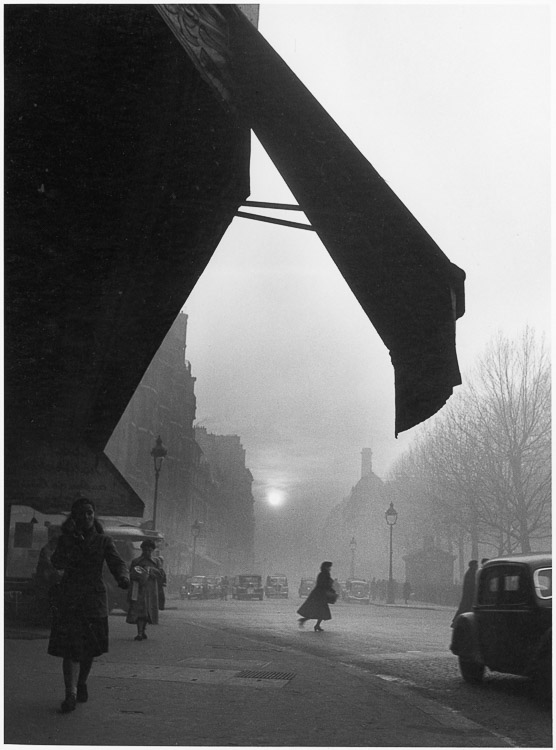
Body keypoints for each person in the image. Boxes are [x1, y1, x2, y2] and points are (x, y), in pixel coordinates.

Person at [47, 497, 129, 713]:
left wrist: (123, 577)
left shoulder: (104, 541)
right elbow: (57, 562)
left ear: (94, 515)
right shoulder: (67, 540)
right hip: (71, 601)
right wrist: (69, 543)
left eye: (89, 513)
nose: (86, 517)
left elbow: (117, 563)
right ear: (74, 517)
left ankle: (81, 681)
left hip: (94, 601)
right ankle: (70, 694)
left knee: (89, 651)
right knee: (71, 650)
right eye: (81, 513)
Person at [126, 539, 164, 641]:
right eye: (145, 550)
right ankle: (139, 632)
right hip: (139, 590)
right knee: (140, 611)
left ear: (152, 550)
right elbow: (131, 574)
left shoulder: (156, 562)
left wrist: (149, 570)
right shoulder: (136, 561)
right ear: (142, 549)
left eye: (149, 550)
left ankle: (143, 630)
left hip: (151, 590)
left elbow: (161, 574)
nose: (147, 552)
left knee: (148, 612)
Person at [297, 561, 336, 632]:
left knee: (317, 611)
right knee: (320, 611)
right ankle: (315, 624)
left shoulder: (322, 574)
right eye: (329, 567)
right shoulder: (324, 574)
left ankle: (307, 621)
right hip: (320, 595)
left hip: (318, 594)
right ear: (326, 567)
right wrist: (330, 588)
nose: (330, 568)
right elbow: (324, 584)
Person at [451, 559, 479, 626]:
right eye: (476, 565)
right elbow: (471, 585)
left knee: (464, 608)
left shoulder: (470, 572)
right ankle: (456, 621)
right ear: (473, 566)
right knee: (465, 608)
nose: (477, 566)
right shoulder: (471, 573)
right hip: (469, 595)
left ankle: (455, 621)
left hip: (467, 594)